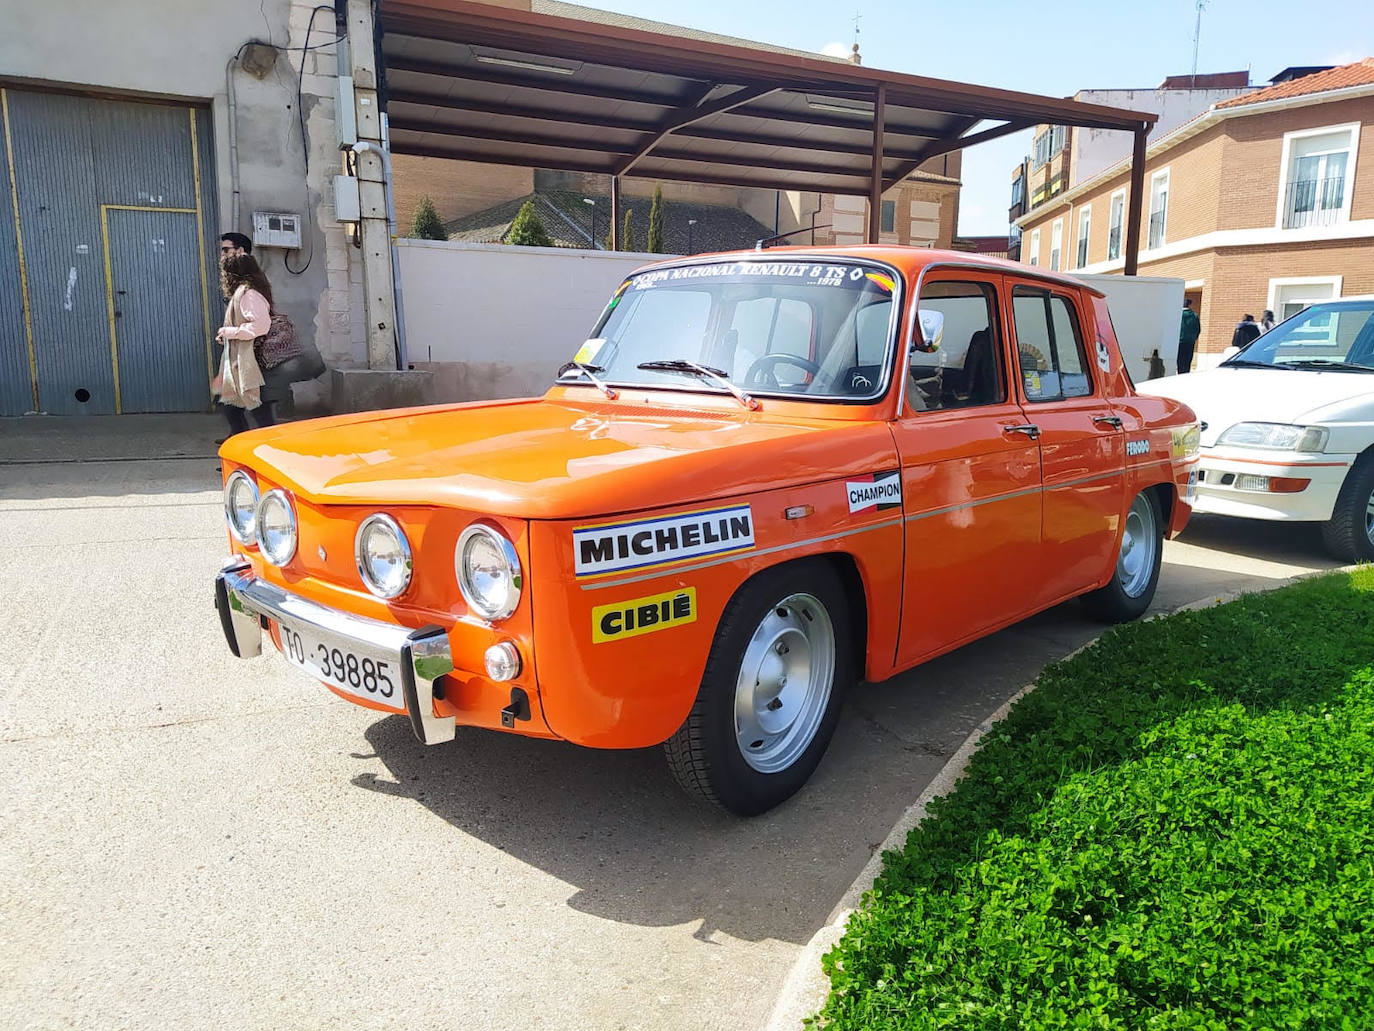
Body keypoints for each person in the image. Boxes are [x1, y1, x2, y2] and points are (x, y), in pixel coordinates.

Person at [213, 253, 276, 435]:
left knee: (253, 409)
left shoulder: (249, 295)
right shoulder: (247, 292)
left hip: (251, 362)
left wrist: (231, 332)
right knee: (235, 407)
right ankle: (241, 450)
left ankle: (269, 449)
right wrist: (227, 334)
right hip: (242, 360)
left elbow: (261, 325)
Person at [1177, 298, 1201, 375]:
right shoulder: (1194, 315)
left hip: (1180, 341)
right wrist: (1194, 338)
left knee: (1180, 360)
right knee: (1187, 361)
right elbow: (1198, 329)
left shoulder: (1179, 315)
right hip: (1190, 342)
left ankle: (1180, 373)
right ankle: (1185, 373)